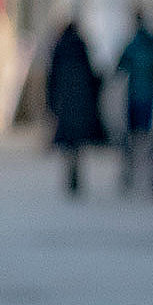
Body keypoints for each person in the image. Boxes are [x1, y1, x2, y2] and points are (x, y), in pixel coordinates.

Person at [114, 12, 153, 194]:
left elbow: (119, 69)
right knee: (151, 140)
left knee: (132, 139)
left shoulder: (132, 45)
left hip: (134, 97)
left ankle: (129, 175)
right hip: (150, 98)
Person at [45, 18, 104, 196]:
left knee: (67, 143)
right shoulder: (81, 48)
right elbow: (92, 76)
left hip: (64, 103)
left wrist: (51, 104)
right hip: (81, 104)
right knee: (77, 143)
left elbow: (52, 78)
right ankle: (76, 174)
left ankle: (69, 174)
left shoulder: (60, 48)